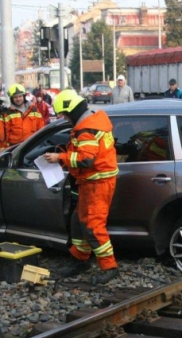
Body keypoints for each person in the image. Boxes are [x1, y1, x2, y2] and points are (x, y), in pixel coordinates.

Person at [43, 90, 120, 284]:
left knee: (93, 225)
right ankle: (80, 260)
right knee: (78, 221)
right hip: (91, 182)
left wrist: (59, 158)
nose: (66, 119)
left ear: (71, 110)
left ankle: (109, 266)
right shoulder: (94, 121)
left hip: (97, 182)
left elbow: (86, 159)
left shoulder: (86, 129)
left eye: (65, 115)